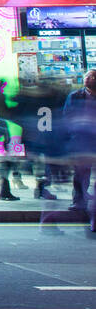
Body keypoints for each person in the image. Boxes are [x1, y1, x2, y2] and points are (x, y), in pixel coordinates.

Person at [62, 70, 96, 220]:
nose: (87, 79)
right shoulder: (75, 96)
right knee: (81, 172)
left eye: (91, 76)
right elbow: (67, 116)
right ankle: (78, 200)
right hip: (81, 139)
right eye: (86, 77)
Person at [0, 78, 20, 201]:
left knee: (7, 159)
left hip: (1, 125)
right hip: (3, 125)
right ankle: (5, 190)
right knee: (7, 159)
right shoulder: (1, 96)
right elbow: (5, 111)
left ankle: (5, 189)